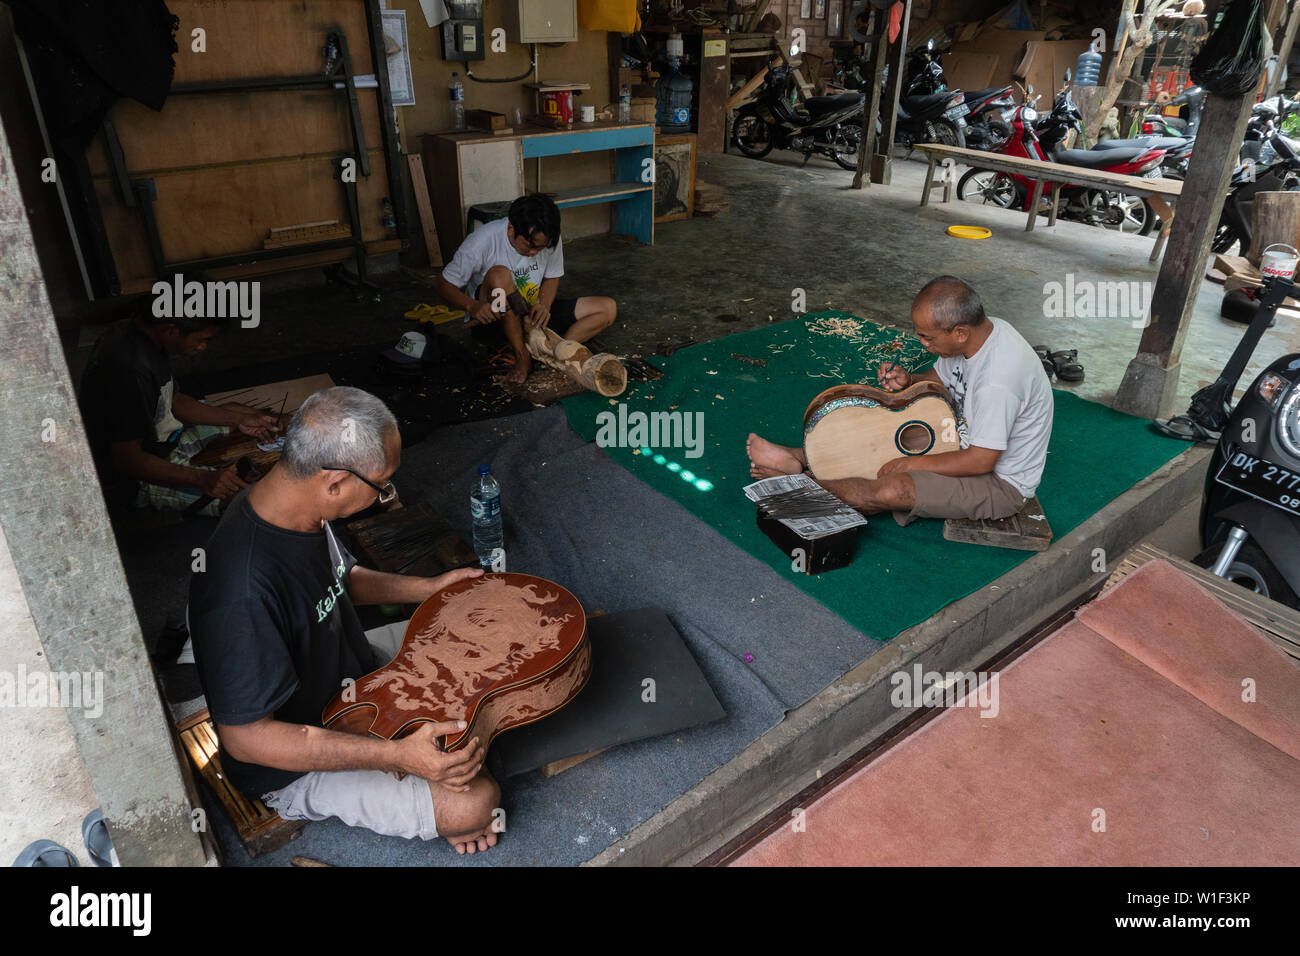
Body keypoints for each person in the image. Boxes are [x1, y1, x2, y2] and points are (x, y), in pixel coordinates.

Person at [188, 386, 501, 855]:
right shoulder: (241, 593)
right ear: (334, 481)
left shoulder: (298, 503)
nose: (383, 497)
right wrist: (396, 756)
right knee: (477, 805)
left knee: (488, 632)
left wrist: (429, 591)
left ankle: (442, 740)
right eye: (381, 486)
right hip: (295, 758)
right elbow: (247, 739)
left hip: (354, 676)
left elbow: (342, 578)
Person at [747, 276, 1054, 525]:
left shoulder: (998, 381)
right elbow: (939, 378)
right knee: (882, 435)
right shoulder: (982, 331)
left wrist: (912, 463)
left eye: (928, 338)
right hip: (958, 440)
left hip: (998, 484)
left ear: (960, 332)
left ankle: (799, 482)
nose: (923, 344)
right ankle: (799, 456)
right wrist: (910, 381)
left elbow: (981, 460)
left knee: (893, 489)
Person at [79, 299, 281, 516]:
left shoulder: (142, 333)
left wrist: (238, 419)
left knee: (249, 415)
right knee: (253, 504)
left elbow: (173, 400)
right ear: (171, 330)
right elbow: (127, 460)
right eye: (201, 339)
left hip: (165, 440)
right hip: (139, 475)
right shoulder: (131, 372)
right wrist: (203, 478)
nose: (203, 347)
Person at [434, 194, 617, 384]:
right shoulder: (482, 241)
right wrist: (472, 306)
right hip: (494, 319)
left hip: (529, 313)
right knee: (499, 275)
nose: (534, 253)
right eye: (530, 246)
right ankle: (522, 356)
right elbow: (442, 284)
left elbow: (552, 276)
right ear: (512, 228)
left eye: (540, 248)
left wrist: (544, 305)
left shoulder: (547, 236)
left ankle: (557, 351)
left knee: (607, 308)